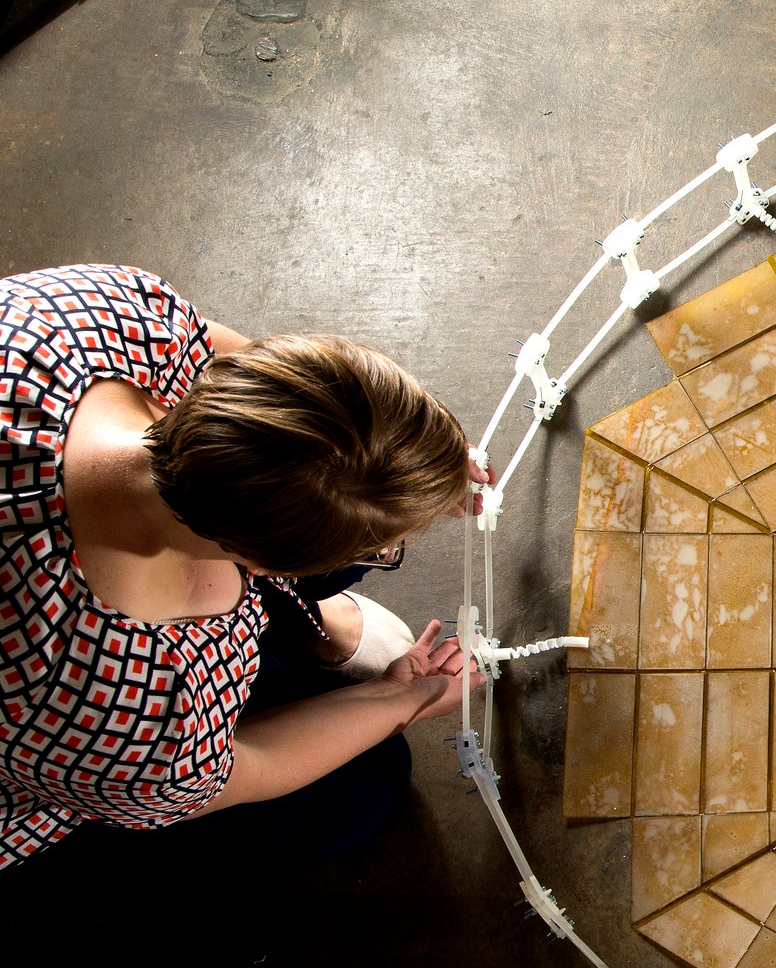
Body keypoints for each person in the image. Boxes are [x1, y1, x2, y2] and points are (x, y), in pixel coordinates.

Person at [0, 263, 481, 871]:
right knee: (365, 787)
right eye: (384, 548)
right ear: (260, 563)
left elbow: (255, 381)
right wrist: (397, 700)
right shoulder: (116, 702)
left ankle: (306, 622)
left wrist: (403, 465)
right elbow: (242, 770)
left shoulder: (86, 319)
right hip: (69, 772)